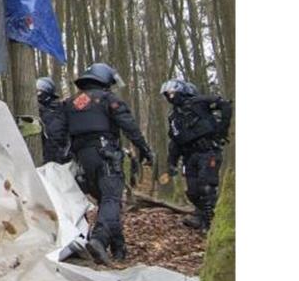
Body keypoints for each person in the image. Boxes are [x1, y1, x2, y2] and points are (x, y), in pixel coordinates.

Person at [62, 63, 153, 265]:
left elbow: (60, 134)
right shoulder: (108, 100)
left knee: (106, 202)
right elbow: (130, 127)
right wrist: (145, 150)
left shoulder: (70, 103)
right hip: (106, 155)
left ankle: (119, 248)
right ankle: (99, 240)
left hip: (81, 161)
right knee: (111, 199)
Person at [162, 79, 232, 231]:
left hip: (208, 152)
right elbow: (175, 141)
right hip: (189, 156)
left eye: (172, 93)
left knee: (206, 187)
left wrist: (221, 131)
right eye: (167, 94)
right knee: (192, 191)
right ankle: (201, 216)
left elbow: (225, 105)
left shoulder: (200, 103)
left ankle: (211, 225)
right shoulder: (173, 116)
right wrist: (172, 163)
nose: (170, 96)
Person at [36, 76, 70, 164]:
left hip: (61, 155)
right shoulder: (36, 111)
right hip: (43, 155)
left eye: (39, 91)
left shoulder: (62, 108)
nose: (37, 94)